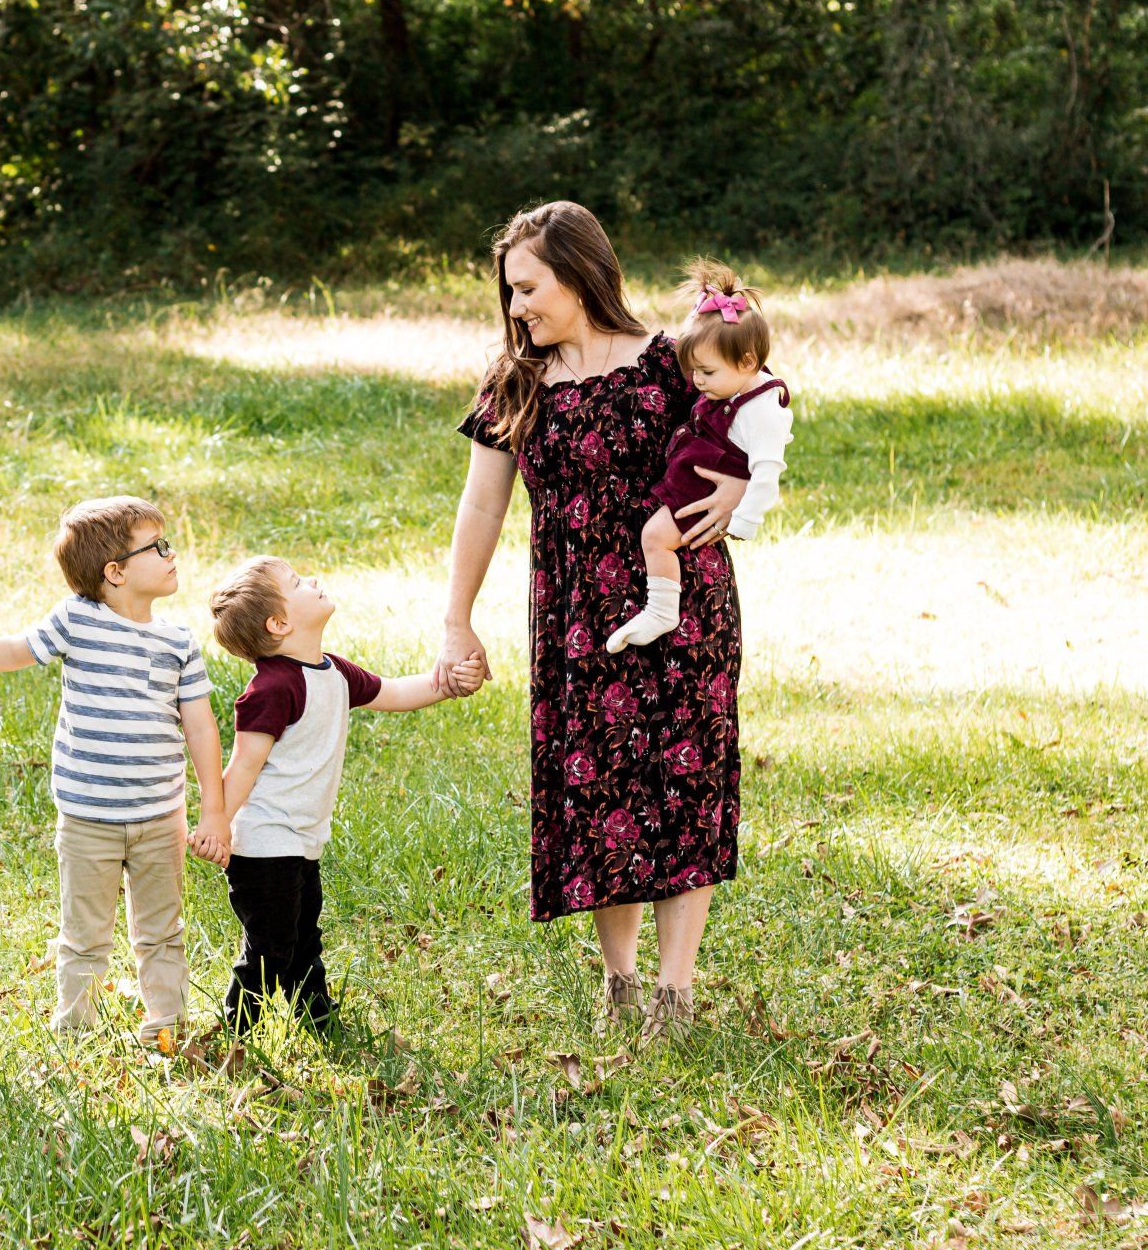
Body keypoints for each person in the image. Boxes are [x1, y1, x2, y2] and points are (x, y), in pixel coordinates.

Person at [435, 201, 749, 1040]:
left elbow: (749, 424)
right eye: (509, 293)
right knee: (599, 788)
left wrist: (742, 485)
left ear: (579, 275)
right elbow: (481, 504)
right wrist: (455, 619)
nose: (517, 308)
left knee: (683, 785)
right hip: (574, 615)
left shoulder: (669, 362)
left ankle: (675, 996)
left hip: (679, 601)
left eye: (529, 288)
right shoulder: (515, 381)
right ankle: (620, 985)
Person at [0, 498, 224, 1048]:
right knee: (84, 935)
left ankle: (166, 1028)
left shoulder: (179, 643)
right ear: (114, 573)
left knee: (162, 931)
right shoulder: (77, 621)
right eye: (157, 547)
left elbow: (202, 729)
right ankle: (75, 1029)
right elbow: (16, 650)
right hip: (87, 820)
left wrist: (213, 809)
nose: (171, 556)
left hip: (159, 819)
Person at [203, 556, 485, 1035]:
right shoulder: (272, 688)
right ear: (279, 623)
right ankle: (232, 1032)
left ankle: (318, 1022)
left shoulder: (332, 672)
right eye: (296, 582)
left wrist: (449, 685)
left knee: (303, 940)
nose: (311, 579)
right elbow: (244, 765)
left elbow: (395, 691)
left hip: (300, 844)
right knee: (270, 949)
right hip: (264, 846)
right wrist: (217, 823)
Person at [607, 258, 794, 652]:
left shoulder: (763, 409)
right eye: (693, 371)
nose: (696, 382)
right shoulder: (734, 386)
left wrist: (745, 519)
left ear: (747, 363)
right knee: (654, 534)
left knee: (655, 537)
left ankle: (660, 609)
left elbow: (767, 470)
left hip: (702, 487)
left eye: (706, 372)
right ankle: (659, 607)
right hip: (691, 475)